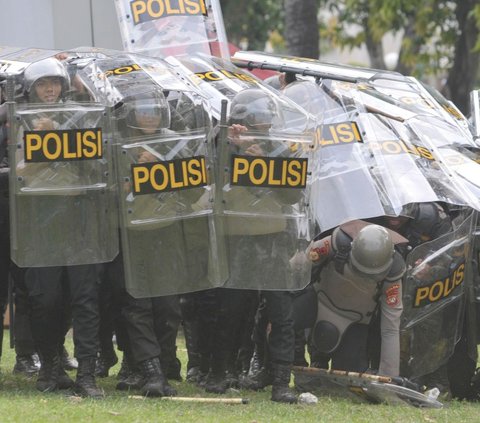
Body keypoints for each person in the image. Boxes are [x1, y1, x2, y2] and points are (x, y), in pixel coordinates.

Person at [12, 57, 103, 397]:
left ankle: (88, 374)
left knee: (85, 296)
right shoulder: (23, 121)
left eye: (54, 83)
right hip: (39, 216)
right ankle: (50, 366)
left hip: (78, 214)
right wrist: (45, 146)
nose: (49, 89)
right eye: (41, 84)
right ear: (31, 89)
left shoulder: (81, 117)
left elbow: (97, 164)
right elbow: (20, 174)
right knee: (43, 296)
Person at [295, 221, 407, 377]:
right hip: (317, 302)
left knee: (349, 372)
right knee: (285, 315)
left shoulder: (393, 273)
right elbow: (298, 267)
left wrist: (389, 377)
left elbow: (390, 328)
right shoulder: (338, 242)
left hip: (354, 322)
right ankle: (280, 364)